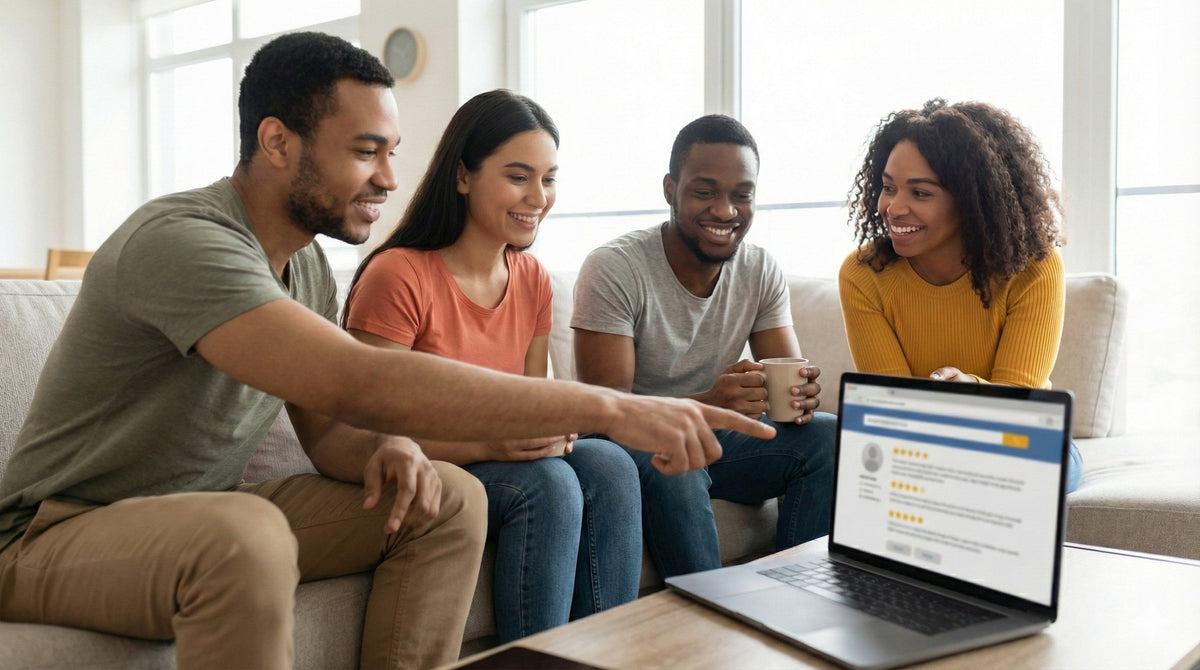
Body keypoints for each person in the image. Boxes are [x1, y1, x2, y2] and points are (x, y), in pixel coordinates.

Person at [0, 33, 773, 670]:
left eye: (393, 151)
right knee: (246, 535)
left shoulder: (301, 263)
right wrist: (612, 408)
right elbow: (357, 378)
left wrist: (388, 448)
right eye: (367, 151)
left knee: (448, 500)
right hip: (58, 530)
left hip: (205, 507)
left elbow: (331, 427)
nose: (389, 178)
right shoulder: (183, 242)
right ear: (277, 141)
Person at [342, 89, 641, 642]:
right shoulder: (398, 275)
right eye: (518, 176)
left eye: (549, 178)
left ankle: (607, 653)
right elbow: (363, 433)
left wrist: (556, 426)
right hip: (430, 464)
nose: (538, 197)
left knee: (611, 463)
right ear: (462, 176)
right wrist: (490, 446)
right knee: (549, 484)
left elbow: (529, 405)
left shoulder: (532, 278)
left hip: (501, 459)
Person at [572, 114, 838, 579]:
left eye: (742, 195)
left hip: (717, 440)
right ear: (670, 189)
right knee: (680, 456)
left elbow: (786, 376)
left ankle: (799, 594)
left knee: (827, 438)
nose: (726, 210)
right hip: (633, 447)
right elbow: (605, 415)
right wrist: (708, 405)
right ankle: (712, 615)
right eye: (705, 191)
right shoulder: (615, 268)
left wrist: (798, 399)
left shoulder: (759, 269)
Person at [839, 97, 1083, 492]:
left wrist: (969, 392)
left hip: (1021, 438)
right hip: (917, 443)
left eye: (920, 193)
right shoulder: (864, 274)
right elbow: (892, 409)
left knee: (1019, 469)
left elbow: (1019, 407)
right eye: (888, 188)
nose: (893, 208)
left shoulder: (1034, 267)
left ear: (972, 200)